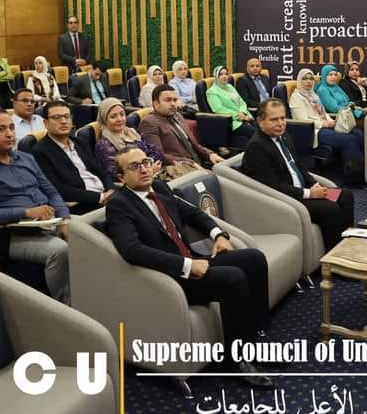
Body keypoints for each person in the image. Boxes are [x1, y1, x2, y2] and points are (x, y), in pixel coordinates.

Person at [105, 147, 272, 391]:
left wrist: (219, 235)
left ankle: (253, 341)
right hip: (170, 277)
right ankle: (235, 361)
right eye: (134, 166)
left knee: (254, 259)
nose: (144, 169)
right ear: (121, 177)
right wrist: (186, 265)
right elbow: (132, 250)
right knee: (234, 278)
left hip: (192, 260)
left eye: (146, 162)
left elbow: (192, 213)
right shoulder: (119, 206)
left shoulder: (159, 188)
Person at [0, 108, 71, 303]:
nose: (9, 134)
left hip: (49, 221)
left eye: (11, 127)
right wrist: (26, 212)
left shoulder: (26, 158)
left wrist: (65, 219)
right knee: (59, 250)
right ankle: (66, 305)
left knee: (87, 233)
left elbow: (51, 192)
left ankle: (92, 296)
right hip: (12, 235)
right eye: (1, 129)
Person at [243, 99, 355, 251]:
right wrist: (309, 193)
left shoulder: (284, 136)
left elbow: (299, 167)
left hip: (304, 191)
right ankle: (334, 254)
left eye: (282, 118)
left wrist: (314, 184)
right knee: (330, 208)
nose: (280, 123)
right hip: (289, 199)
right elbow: (274, 187)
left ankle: (348, 245)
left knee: (346, 196)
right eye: (274, 120)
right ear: (260, 121)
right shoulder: (257, 147)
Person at [32, 100, 114, 213]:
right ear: (45, 123)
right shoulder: (40, 151)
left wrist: (111, 190)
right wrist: (100, 197)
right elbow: (57, 189)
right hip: (83, 205)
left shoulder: (80, 143)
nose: (63, 121)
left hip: (107, 197)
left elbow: (100, 172)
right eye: (56, 117)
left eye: (67, 117)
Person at [288, 69, 364, 184]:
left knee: (357, 133)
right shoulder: (296, 97)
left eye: (311, 79)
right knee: (349, 139)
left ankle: (363, 170)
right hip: (313, 131)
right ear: (299, 80)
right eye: (305, 79)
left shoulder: (313, 95)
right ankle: (354, 178)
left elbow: (324, 113)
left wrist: (331, 121)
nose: (308, 81)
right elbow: (303, 120)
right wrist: (325, 124)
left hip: (325, 126)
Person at [141, 85, 223, 170]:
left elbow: (193, 144)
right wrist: (190, 163)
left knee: (227, 168)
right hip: (180, 169)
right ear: (156, 104)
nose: (173, 104)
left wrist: (209, 154)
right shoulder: (149, 123)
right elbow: (158, 155)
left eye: (175, 100)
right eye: (168, 100)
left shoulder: (178, 116)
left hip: (199, 163)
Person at [94, 98, 175, 181]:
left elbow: (156, 151)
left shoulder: (132, 132)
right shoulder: (104, 144)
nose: (119, 119)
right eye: (113, 116)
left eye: (122, 114)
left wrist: (148, 165)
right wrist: (149, 170)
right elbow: (115, 174)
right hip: (136, 183)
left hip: (155, 174)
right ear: (104, 119)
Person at [205, 65, 256, 143]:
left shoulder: (230, 86)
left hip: (245, 116)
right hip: (231, 122)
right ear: (216, 76)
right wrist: (238, 116)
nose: (224, 76)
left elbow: (241, 102)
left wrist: (242, 112)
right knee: (256, 133)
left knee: (264, 129)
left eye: (226, 74)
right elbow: (218, 109)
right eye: (221, 74)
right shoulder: (211, 91)